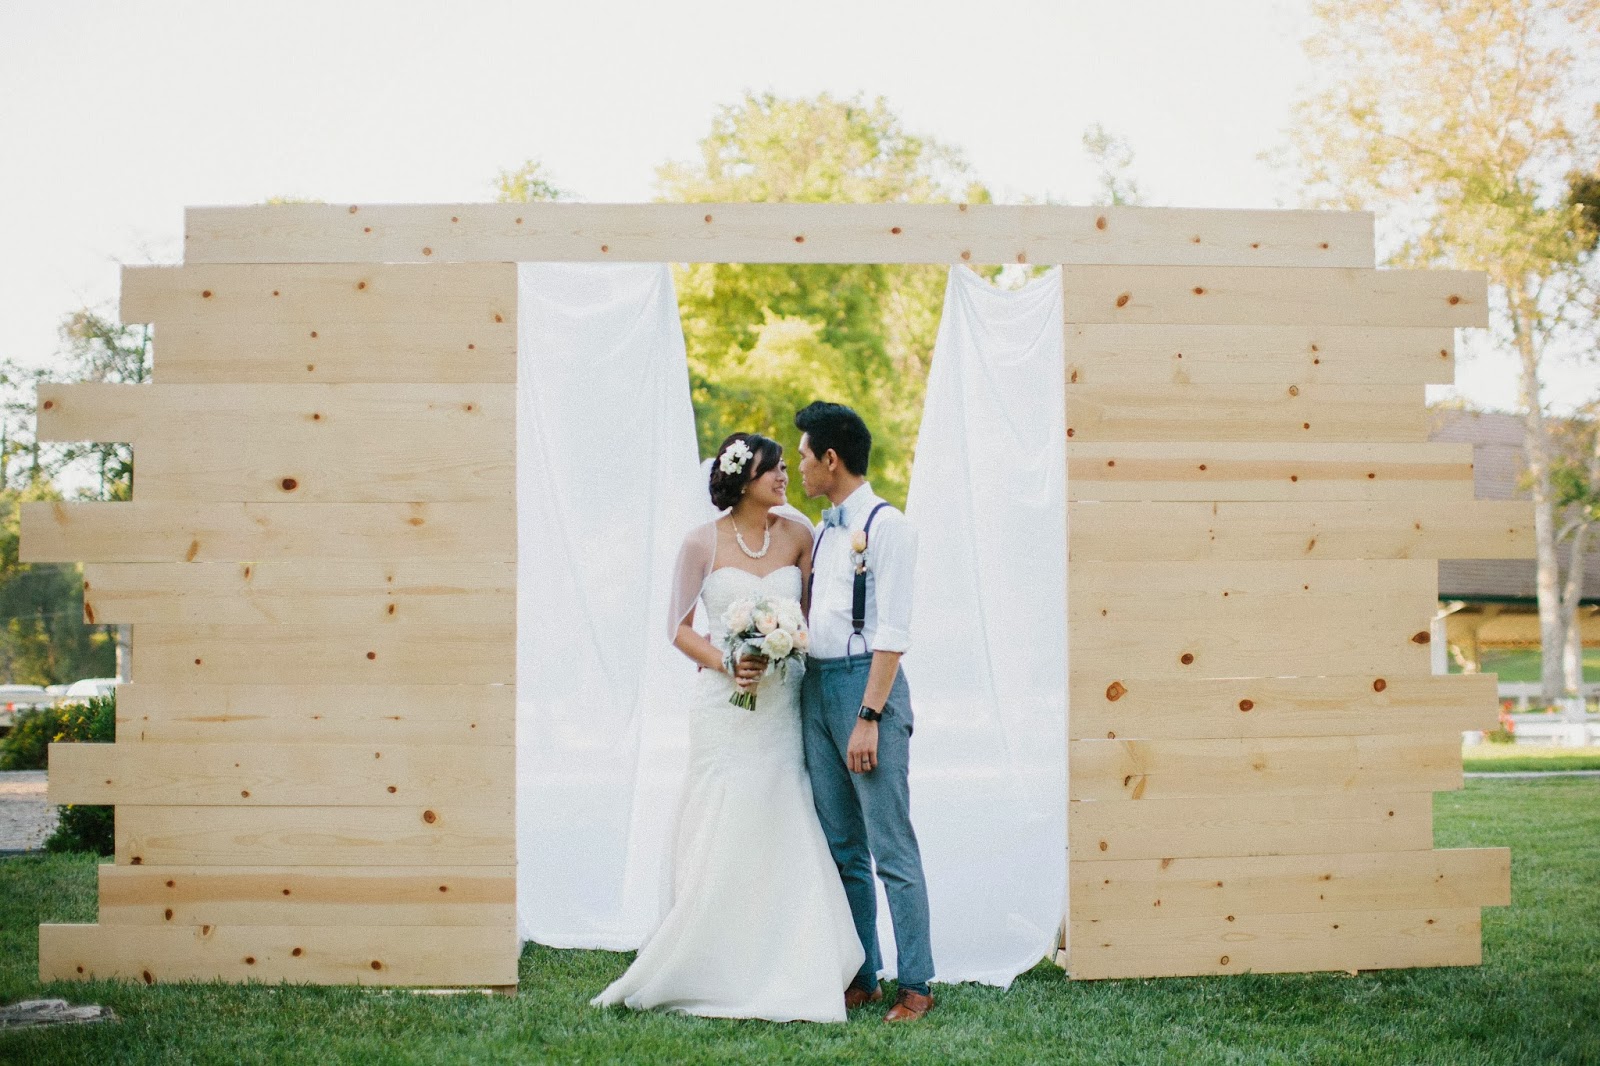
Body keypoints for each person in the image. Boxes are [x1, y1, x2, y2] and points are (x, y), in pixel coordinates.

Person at [592, 432, 864, 1023]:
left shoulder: (798, 536)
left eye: (790, 467)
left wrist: (785, 645)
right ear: (744, 477)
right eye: (775, 469)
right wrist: (727, 660)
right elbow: (679, 627)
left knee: (782, 812)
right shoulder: (700, 543)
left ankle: (792, 956)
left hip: (782, 706)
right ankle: (709, 956)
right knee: (725, 817)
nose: (786, 477)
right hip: (725, 707)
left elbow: (816, 617)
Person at [786, 401, 936, 1023]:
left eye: (803, 455)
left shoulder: (889, 524)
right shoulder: (822, 531)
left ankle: (917, 983)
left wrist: (869, 715)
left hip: (864, 689)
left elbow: (892, 631)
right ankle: (863, 975)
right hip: (815, 686)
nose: (796, 465)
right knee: (842, 844)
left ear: (831, 458)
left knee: (889, 844)